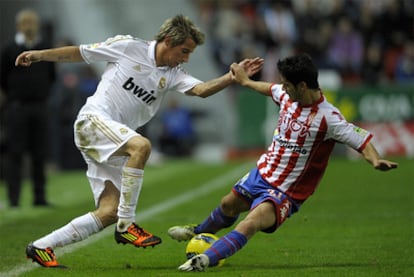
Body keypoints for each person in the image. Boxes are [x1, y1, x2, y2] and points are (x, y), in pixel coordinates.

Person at [14, 14, 264, 268]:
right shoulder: (129, 47)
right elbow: (79, 52)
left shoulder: (173, 73)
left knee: (108, 211)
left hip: (113, 140)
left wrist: (232, 77)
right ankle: (127, 225)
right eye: (184, 51)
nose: (186, 58)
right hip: (93, 121)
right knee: (142, 146)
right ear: (168, 41)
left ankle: (41, 246)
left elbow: (201, 90)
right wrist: (39, 55)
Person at [168, 53, 398, 272]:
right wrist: (246, 82)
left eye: (288, 85)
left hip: (286, 190)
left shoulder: (329, 118)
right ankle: (196, 231)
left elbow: (361, 140)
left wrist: (375, 160)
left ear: (303, 86)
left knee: (251, 223)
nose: (284, 88)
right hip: (263, 172)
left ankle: (206, 259)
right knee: (227, 205)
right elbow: (270, 89)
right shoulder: (287, 95)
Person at [0, 9, 56, 207]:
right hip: (17, 107)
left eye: (32, 22)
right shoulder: (8, 49)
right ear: (18, 26)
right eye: (25, 22)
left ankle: (39, 197)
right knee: (15, 153)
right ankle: (13, 199)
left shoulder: (45, 47)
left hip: (40, 106)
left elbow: (52, 76)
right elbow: (3, 78)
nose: (29, 26)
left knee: (40, 153)